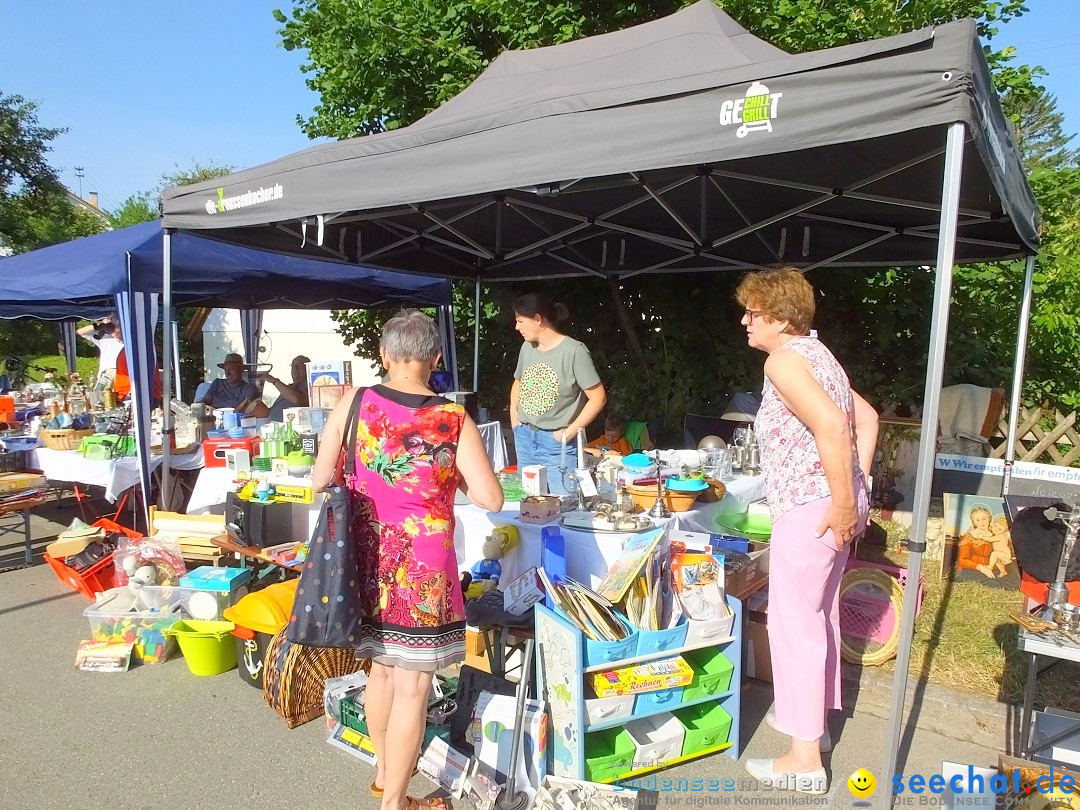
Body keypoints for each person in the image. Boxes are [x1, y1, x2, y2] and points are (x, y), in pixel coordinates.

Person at [313, 310, 503, 810]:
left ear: (383, 355)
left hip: (366, 556)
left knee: (379, 670)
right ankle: (395, 802)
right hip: (421, 565)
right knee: (414, 685)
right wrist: (450, 478)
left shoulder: (354, 401)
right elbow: (492, 498)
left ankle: (384, 776)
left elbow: (318, 478)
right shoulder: (451, 419)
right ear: (436, 359)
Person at [737, 268, 879, 794]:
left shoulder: (785, 360)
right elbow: (867, 419)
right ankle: (808, 723)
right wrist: (853, 491)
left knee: (793, 623)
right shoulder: (821, 356)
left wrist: (843, 499)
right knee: (816, 616)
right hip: (828, 505)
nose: (745, 320)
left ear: (779, 317)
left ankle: (803, 761)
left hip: (810, 507)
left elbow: (835, 425)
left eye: (753, 312)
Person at [509, 293, 606, 495]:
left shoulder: (575, 351)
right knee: (529, 502)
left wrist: (568, 433)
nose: (517, 327)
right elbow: (518, 380)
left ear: (538, 319)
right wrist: (513, 413)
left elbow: (598, 398)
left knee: (563, 505)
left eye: (520, 321)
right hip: (525, 436)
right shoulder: (527, 347)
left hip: (556, 444)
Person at [197, 352, 262, 411]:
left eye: (231, 369)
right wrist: (201, 406)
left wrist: (216, 411)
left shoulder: (249, 388)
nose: (227, 373)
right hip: (211, 420)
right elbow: (205, 400)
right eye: (225, 369)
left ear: (241, 370)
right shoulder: (217, 383)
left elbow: (243, 409)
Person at [263, 355, 310, 420]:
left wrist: (274, 381)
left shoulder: (308, 385)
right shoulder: (290, 387)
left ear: (308, 369)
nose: (295, 369)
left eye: (299, 366)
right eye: (293, 366)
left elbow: (296, 399)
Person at [77, 318, 123, 383]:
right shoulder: (106, 339)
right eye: (112, 328)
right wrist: (99, 325)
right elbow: (81, 332)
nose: (116, 330)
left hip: (124, 376)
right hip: (107, 376)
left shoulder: (131, 342)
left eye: (118, 327)